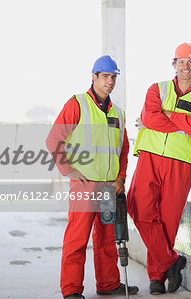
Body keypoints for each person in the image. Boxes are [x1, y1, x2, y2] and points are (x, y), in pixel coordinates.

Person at [46, 55, 139, 299]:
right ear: (94, 77)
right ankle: (72, 290)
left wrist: (120, 178)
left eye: (113, 77)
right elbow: (54, 140)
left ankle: (108, 284)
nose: (110, 81)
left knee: (107, 238)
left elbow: (124, 149)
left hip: (109, 186)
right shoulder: (77, 104)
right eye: (105, 76)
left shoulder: (118, 113)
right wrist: (69, 170)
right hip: (85, 185)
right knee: (77, 239)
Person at [127, 42, 191, 294]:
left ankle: (157, 277)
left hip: (181, 163)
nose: (186, 66)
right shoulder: (157, 89)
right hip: (150, 156)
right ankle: (172, 261)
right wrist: (185, 121)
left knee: (168, 221)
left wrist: (169, 115)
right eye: (181, 61)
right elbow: (150, 118)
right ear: (174, 65)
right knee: (138, 207)